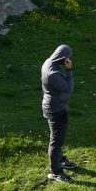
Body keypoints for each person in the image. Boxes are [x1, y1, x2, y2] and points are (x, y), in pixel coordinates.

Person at [41, 44, 77, 183]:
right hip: (56, 110)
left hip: (53, 105)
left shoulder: (48, 62)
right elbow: (68, 88)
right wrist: (69, 70)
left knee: (57, 138)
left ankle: (60, 159)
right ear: (62, 58)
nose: (69, 59)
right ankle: (55, 171)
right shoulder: (53, 74)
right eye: (67, 57)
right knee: (56, 141)